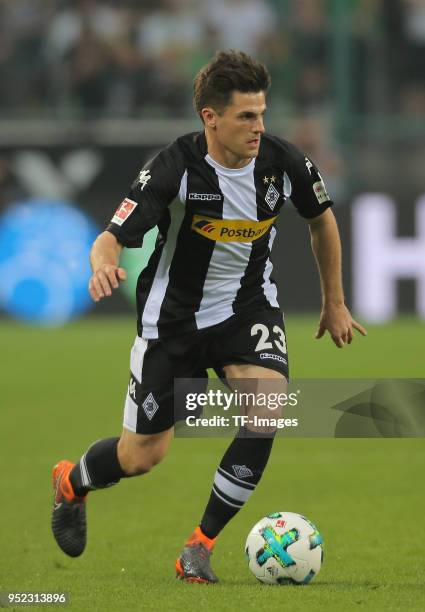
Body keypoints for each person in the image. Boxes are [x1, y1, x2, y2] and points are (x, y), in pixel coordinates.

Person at [51, 50, 366, 583]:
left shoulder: (283, 163)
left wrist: (334, 301)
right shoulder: (173, 168)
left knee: (266, 411)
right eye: (246, 116)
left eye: (262, 114)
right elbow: (111, 237)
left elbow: (322, 221)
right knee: (143, 456)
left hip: (247, 309)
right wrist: (102, 266)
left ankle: (199, 547)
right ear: (210, 117)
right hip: (171, 325)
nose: (258, 128)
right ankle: (72, 481)